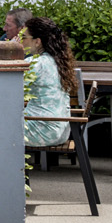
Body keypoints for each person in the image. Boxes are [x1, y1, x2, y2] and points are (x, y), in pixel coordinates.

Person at [19, 15, 76, 149]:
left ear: (37, 41)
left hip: (41, 130)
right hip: (61, 131)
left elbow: (8, 91)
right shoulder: (59, 61)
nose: (21, 42)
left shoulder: (35, 64)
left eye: (24, 37)